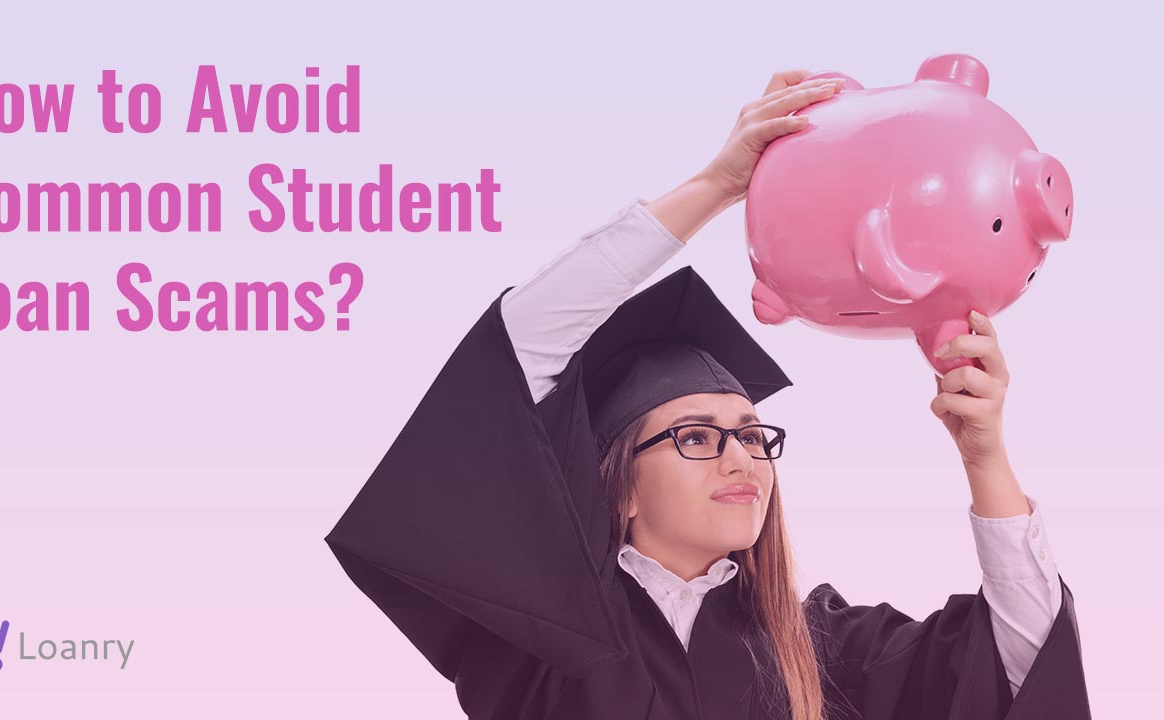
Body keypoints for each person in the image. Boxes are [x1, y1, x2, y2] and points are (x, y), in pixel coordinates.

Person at [325, 71, 1091, 720]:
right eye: (697, 435)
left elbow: (1022, 660)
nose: (743, 458)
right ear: (618, 483)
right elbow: (521, 342)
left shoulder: (815, 647)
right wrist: (718, 185)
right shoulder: (551, 627)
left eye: (755, 436)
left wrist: (985, 456)